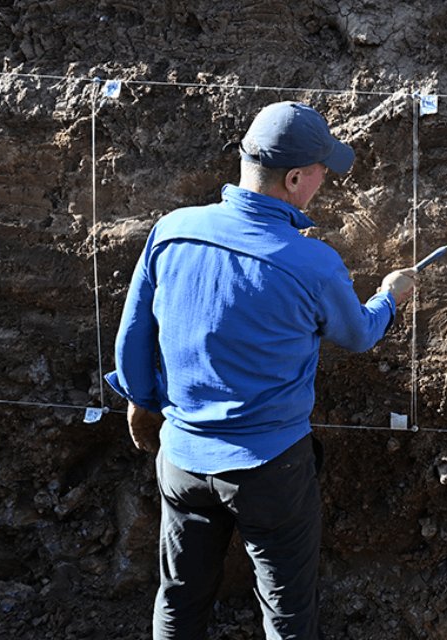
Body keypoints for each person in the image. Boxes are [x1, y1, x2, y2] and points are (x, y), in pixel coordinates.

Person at [104, 101, 416, 640]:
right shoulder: (310, 263)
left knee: (179, 599)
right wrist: (390, 297)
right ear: (295, 178)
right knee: (287, 614)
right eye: (322, 172)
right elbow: (359, 334)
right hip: (270, 469)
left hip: (181, 460)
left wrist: (141, 400)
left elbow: (133, 336)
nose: (325, 182)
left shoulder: (173, 230)